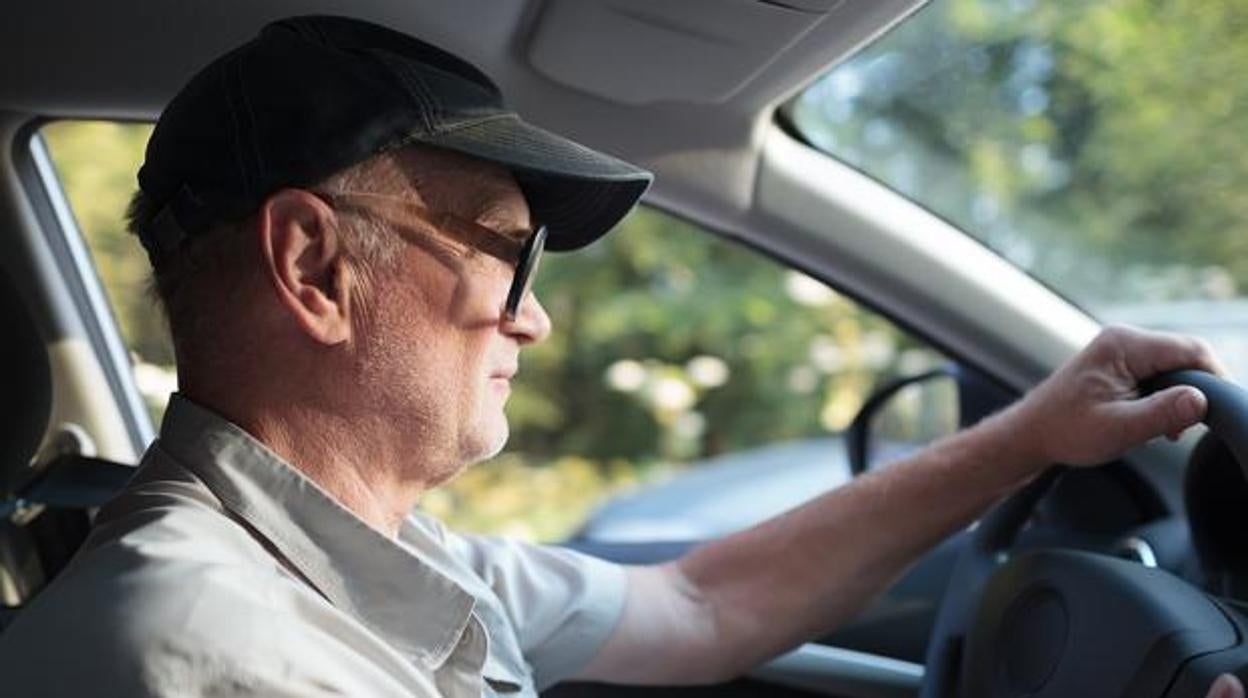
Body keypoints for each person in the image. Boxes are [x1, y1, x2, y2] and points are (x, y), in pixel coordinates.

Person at [0, 14, 1239, 697]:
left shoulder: (370, 552)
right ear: (316, 270)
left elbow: (698, 606)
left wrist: (1029, 433)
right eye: (506, 253)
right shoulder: (198, 650)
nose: (531, 317)